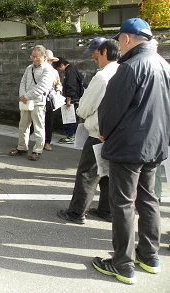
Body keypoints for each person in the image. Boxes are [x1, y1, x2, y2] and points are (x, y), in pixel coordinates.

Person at [93, 18, 170, 284]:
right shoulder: (163, 64)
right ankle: (149, 256)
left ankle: (122, 263)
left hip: (129, 145)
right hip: (155, 144)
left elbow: (112, 108)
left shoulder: (130, 67)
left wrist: (105, 131)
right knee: (149, 199)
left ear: (126, 39)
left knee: (123, 203)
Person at [57, 39, 120, 225]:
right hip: (115, 133)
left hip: (98, 131)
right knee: (107, 172)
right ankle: (106, 210)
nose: (95, 57)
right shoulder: (123, 71)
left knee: (87, 172)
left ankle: (77, 212)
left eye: (97, 53)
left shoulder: (102, 77)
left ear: (105, 52)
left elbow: (85, 106)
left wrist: (81, 112)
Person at [9, 45, 55, 161]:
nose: (34, 59)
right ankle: (22, 147)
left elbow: (43, 87)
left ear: (44, 57)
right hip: (26, 101)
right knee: (23, 125)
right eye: (33, 56)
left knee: (39, 127)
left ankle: (37, 150)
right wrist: (22, 95)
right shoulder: (29, 68)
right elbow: (23, 82)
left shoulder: (48, 69)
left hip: (38, 102)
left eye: (37, 57)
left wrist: (26, 96)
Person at [52, 57, 85, 143]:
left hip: (72, 99)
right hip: (76, 97)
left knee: (69, 118)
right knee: (73, 118)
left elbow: (71, 86)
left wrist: (69, 99)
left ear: (62, 65)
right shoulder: (73, 69)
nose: (59, 70)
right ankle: (72, 136)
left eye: (58, 68)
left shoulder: (69, 72)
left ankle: (71, 136)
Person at [43, 50, 62, 151]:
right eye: (48, 60)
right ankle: (25, 139)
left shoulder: (54, 72)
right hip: (38, 97)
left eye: (51, 61)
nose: (49, 62)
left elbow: (58, 83)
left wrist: (58, 90)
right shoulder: (36, 69)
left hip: (49, 97)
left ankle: (47, 142)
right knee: (33, 121)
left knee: (49, 121)